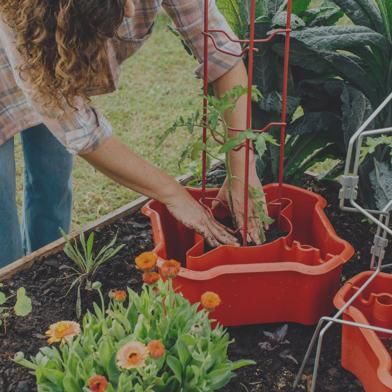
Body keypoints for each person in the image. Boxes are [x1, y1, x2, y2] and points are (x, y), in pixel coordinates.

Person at [0, 0, 265, 268]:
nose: (130, 11)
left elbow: (222, 55)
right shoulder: (24, 14)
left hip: (51, 58)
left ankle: (41, 270)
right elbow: (83, 132)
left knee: (51, 176)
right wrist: (173, 193)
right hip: (19, 52)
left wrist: (241, 166)